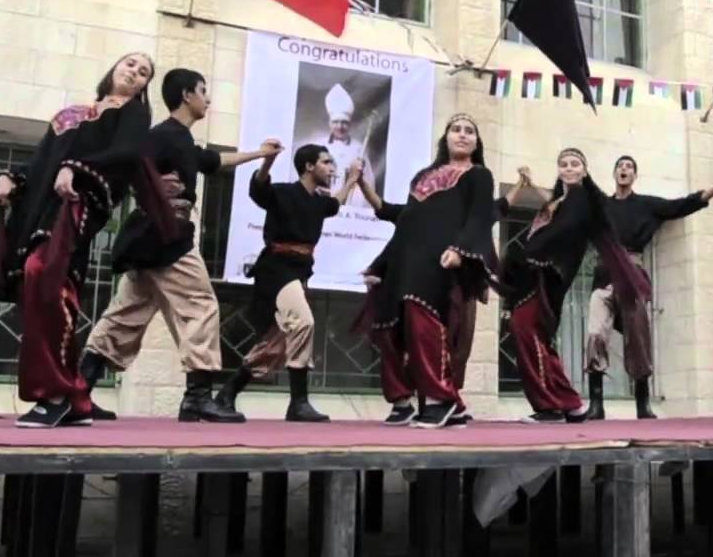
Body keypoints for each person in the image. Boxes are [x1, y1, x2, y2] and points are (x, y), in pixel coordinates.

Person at [77, 68, 282, 423]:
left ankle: (77, 393)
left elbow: (214, 161)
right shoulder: (163, 137)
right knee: (201, 307)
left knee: (124, 317)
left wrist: (262, 153)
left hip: (149, 240)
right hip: (167, 237)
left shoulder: (179, 141)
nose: (209, 98)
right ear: (187, 95)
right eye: (204, 91)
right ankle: (197, 397)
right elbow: (131, 162)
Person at [0, 53, 174, 428]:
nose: (135, 72)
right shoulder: (72, 113)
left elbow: (125, 154)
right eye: (131, 64)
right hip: (42, 204)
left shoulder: (133, 114)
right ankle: (72, 398)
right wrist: (11, 176)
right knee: (41, 285)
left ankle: (54, 394)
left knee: (44, 272)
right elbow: (43, 159)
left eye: (144, 73)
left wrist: (77, 169)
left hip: (78, 200)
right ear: (113, 68)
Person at [354, 113, 500, 428]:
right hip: (405, 258)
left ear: (477, 142)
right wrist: (380, 262)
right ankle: (402, 402)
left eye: (469, 131)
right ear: (445, 137)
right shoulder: (422, 176)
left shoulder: (479, 175)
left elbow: (479, 218)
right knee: (389, 326)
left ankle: (440, 399)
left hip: (441, 258)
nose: (462, 135)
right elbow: (406, 220)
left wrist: (460, 250)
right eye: (455, 129)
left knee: (425, 325)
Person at [500, 148, 650, 423]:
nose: (569, 168)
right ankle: (568, 403)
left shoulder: (582, 200)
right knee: (534, 335)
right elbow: (555, 213)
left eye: (574, 164)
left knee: (527, 330)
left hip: (547, 275)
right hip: (538, 274)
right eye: (563, 164)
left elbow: (562, 232)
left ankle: (552, 406)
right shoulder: (563, 201)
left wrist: (526, 256)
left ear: (584, 169)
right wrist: (529, 184)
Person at [213, 144, 361, 422]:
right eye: (326, 162)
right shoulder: (282, 193)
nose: (332, 168)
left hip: (299, 272)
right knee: (303, 322)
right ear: (308, 166)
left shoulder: (318, 202)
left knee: (276, 344)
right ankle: (298, 403)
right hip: (276, 270)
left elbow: (336, 203)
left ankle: (226, 394)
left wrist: (353, 179)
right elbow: (259, 189)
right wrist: (268, 161)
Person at [583, 156, 713, 420]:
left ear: (634, 175)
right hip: (603, 278)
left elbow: (683, 205)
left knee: (638, 338)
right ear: (614, 174)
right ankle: (596, 404)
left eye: (629, 166)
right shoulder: (601, 206)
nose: (624, 169)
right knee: (595, 333)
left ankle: (643, 403)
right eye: (619, 166)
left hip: (632, 277)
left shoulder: (646, 205)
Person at [313, 83, 376, 208]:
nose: (340, 126)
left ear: (350, 124)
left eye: (344, 123)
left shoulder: (359, 149)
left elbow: (368, 183)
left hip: (350, 204)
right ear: (329, 123)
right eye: (335, 122)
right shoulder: (318, 145)